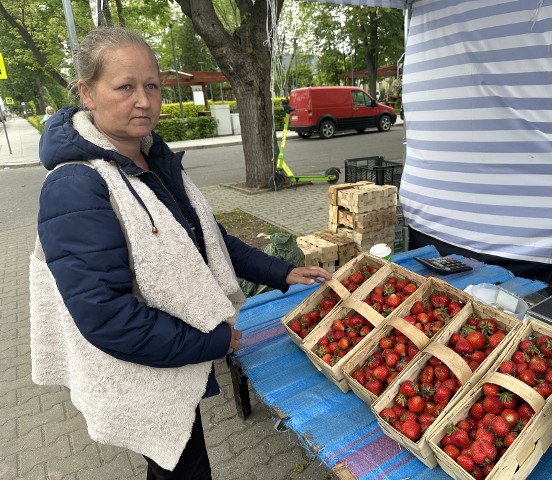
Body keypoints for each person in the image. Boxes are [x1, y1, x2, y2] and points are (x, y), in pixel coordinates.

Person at [29, 26, 332, 480]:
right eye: (125, 86)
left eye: (151, 85)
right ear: (87, 94)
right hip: (143, 370)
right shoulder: (76, 186)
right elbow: (105, 315)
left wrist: (284, 273)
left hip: (168, 356)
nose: (144, 100)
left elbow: (210, 241)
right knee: (182, 466)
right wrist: (210, 342)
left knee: (180, 461)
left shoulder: (151, 158)